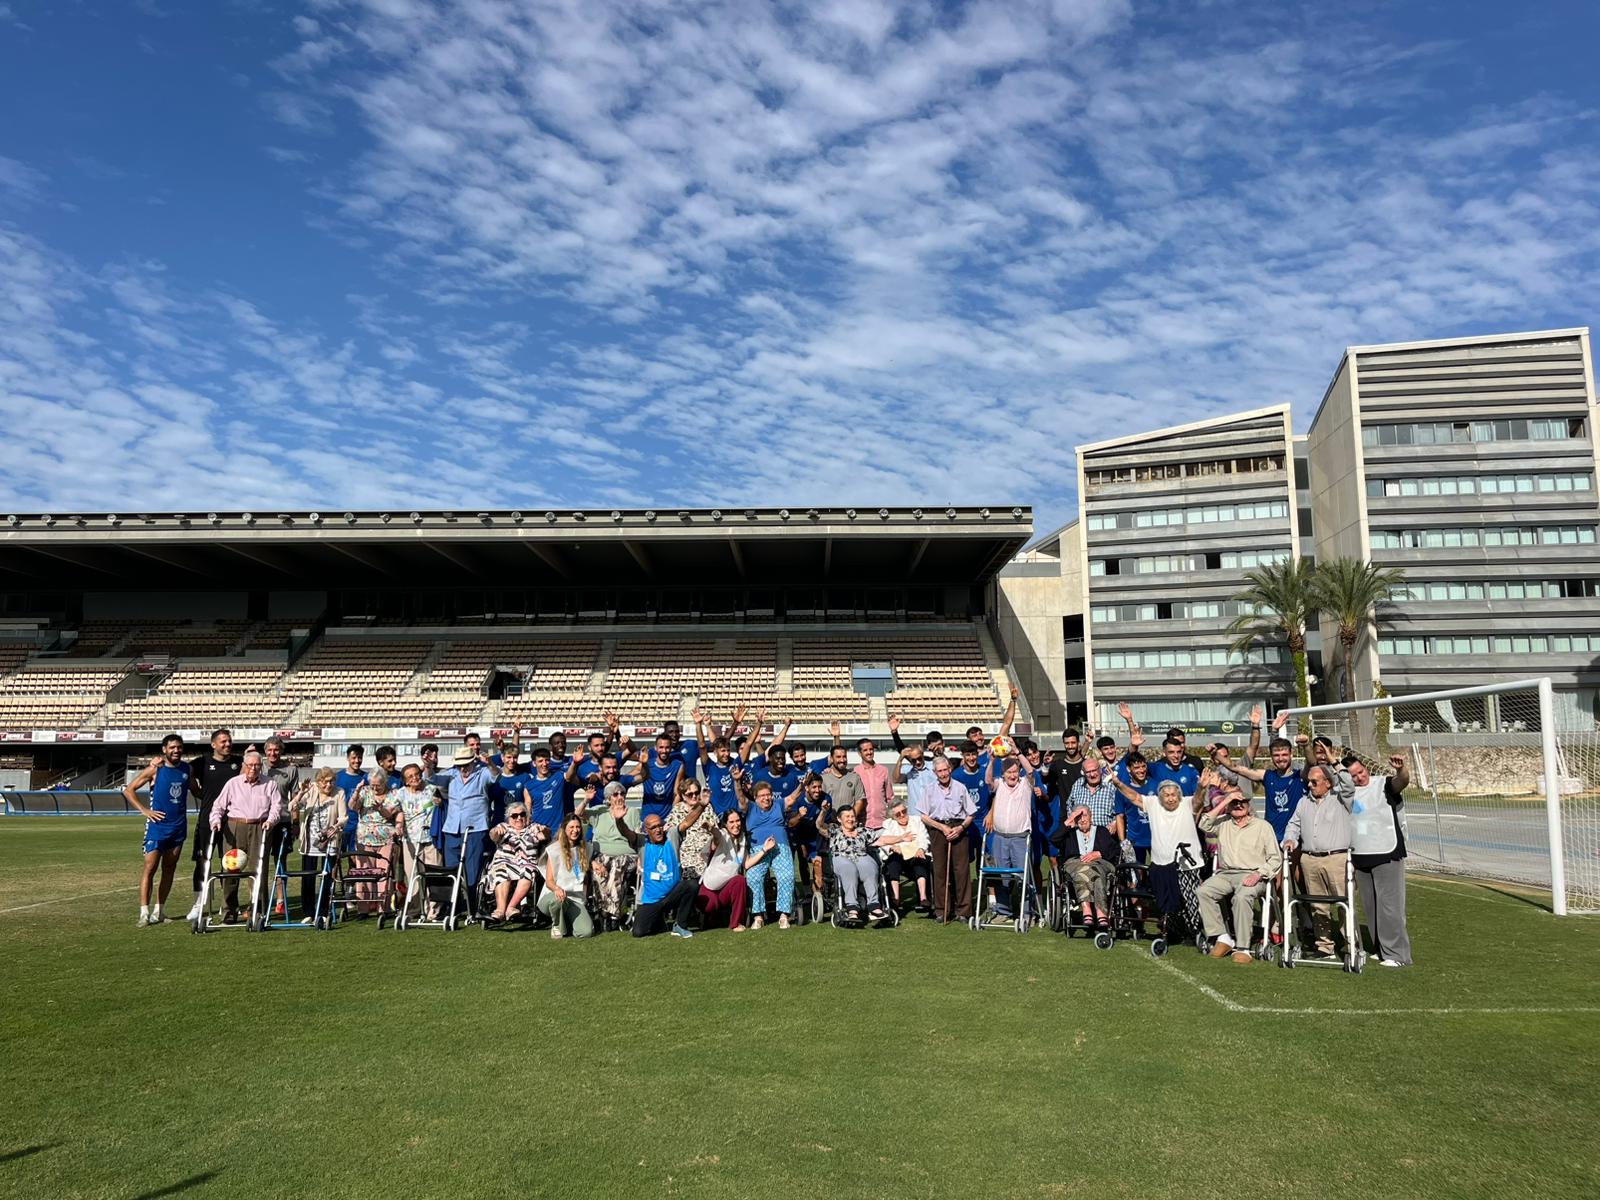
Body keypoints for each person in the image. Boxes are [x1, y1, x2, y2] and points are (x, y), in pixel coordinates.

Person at [1110, 778, 1203, 939]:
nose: (1170, 798)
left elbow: (1198, 801)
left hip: (1187, 863)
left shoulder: (1186, 803)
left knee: (1190, 899)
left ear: (1179, 795)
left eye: (1173, 794)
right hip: (1160, 864)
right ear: (1160, 796)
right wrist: (1118, 784)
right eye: (1166, 795)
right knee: (1167, 900)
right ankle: (1174, 929)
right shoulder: (1154, 804)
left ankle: (1195, 931)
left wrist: (1202, 786)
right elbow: (1134, 797)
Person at [1197, 790, 1283, 963]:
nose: (1238, 805)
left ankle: (1243, 948)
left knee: (1242, 897)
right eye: (1234, 803)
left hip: (1253, 874)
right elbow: (1203, 823)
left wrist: (1259, 874)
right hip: (1226, 873)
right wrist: (1225, 800)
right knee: (1203, 891)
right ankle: (1223, 938)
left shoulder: (1262, 826)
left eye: (1242, 802)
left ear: (1248, 805)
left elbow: (1275, 858)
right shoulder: (1223, 822)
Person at [1347, 752, 1413, 967]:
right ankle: (1381, 949)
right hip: (1361, 855)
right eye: (1353, 776)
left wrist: (1401, 769)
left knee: (1390, 907)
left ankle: (1398, 955)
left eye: (1361, 772)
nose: (1360, 778)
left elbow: (1401, 781)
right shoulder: (1347, 792)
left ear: (1366, 768)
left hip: (1387, 853)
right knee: (1371, 906)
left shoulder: (1383, 784)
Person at [1282, 764, 1355, 958]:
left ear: (1328, 783)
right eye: (1309, 781)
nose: (1310, 785)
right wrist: (1290, 839)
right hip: (1310, 859)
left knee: (1344, 903)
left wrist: (1335, 763)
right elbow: (1294, 824)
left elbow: (1349, 784)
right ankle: (1324, 946)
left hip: (1336, 858)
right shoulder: (1303, 802)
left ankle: (1351, 943)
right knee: (1317, 905)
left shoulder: (1340, 799)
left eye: (1315, 781)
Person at [207, 749, 282, 923]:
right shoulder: (233, 783)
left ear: (261, 766)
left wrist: (270, 821)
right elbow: (218, 806)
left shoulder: (270, 784)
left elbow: (276, 807)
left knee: (259, 871)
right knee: (230, 870)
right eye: (250, 765)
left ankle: (257, 910)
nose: (253, 768)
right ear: (244, 766)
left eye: (257, 765)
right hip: (235, 827)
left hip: (260, 827)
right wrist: (215, 821)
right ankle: (229, 912)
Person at [123, 734, 189, 926]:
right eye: (172, 747)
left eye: (179, 747)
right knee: (150, 868)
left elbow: (196, 790)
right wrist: (144, 810)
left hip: (178, 827)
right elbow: (129, 790)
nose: (176, 750)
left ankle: (159, 911)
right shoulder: (155, 769)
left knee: (169, 868)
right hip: (157, 827)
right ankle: (144, 913)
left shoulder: (187, 769)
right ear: (164, 750)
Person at [614, 795, 698, 939]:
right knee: (638, 932)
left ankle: (680, 925)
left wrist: (701, 806)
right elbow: (626, 833)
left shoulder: (672, 836)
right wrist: (618, 820)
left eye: (659, 825)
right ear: (646, 830)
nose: (658, 830)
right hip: (652, 900)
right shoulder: (641, 842)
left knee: (691, 885)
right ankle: (658, 920)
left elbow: (687, 822)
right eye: (653, 828)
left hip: (673, 895)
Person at [435, 744, 502, 918]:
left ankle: (473, 906)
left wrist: (489, 763)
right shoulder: (451, 774)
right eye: (460, 765)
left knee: (472, 870)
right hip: (452, 828)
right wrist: (428, 766)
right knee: (451, 869)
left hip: (475, 828)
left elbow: (496, 776)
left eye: (466, 764)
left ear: (473, 762)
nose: (463, 768)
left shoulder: (482, 773)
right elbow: (432, 779)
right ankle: (454, 905)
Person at [185, 728, 242, 920]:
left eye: (229, 741)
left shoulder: (238, 762)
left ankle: (228, 906)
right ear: (213, 744)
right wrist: (197, 791)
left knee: (231, 864)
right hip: (207, 822)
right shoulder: (202, 762)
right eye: (223, 741)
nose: (227, 744)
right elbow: (186, 772)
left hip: (232, 822)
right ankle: (199, 904)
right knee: (203, 863)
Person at [920, 754, 975, 923]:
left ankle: (963, 910)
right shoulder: (929, 789)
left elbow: (971, 813)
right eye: (939, 771)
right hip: (938, 829)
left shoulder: (960, 787)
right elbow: (924, 816)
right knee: (940, 870)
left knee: (961, 870)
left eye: (945, 770)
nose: (943, 774)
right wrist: (941, 827)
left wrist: (961, 828)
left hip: (958, 828)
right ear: (935, 773)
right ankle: (942, 910)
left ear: (950, 769)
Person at [739, 777, 798, 929]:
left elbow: (792, 798)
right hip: (759, 849)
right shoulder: (751, 807)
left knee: (787, 876)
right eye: (762, 795)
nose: (766, 798)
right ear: (755, 797)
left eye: (768, 794)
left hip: (780, 847)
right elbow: (740, 798)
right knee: (753, 877)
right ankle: (758, 916)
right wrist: (736, 782)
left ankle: (784, 915)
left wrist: (802, 786)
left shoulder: (778, 805)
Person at [982, 751, 1034, 918]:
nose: (1012, 775)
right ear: (1003, 774)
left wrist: (1018, 754)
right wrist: (991, 761)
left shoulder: (1025, 784)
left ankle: (1026, 913)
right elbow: (988, 781)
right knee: (1001, 877)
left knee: (1023, 877)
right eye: (1008, 772)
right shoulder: (999, 784)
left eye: (1014, 771)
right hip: (999, 837)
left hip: (1020, 838)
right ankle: (1003, 912)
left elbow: (1031, 771)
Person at [581, 781, 638, 931]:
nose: (620, 797)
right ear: (608, 798)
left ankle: (609, 915)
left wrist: (620, 822)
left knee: (616, 866)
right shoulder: (600, 811)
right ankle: (608, 914)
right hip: (602, 854)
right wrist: (586, 800)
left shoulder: (632, 812)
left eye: (622, 793)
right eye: (615, 794)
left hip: (626, 855)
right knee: (599, 869)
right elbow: (577, 815)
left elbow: (633, 839)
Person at [1050, 805, 1120, 928]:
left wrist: (1100, 853)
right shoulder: (1069, 833)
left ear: (1091, 817)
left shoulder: (1101, 831)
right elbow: (1054, 839)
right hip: (1075, 863)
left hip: (1100, 863)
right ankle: (1090, 909)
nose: (1082, 820)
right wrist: (1070, 819)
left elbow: (1116, 850)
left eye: (1085, 816)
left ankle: (1095, 911)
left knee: (1095, 870)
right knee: (1085, 870)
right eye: (1078, 817)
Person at [293, 767, 347, 925]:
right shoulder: (311, 791)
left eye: (331, 781)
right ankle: (308, 911)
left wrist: (335, 827)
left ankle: (323, 911)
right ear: (318, 782)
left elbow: (344, 817)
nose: (328, 785)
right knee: (308, 877)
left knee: (327, 878)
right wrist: (301, 793)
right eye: (325, 782)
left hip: (329, 842)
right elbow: (292, 807)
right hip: (310, 842)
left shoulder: (339, 793)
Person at [697, 809, 766, 932]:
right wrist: (711, 828)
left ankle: (736, 923)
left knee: (740, 880)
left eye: (738, 820)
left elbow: (746, 863)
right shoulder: (723, 835)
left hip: (727, 888)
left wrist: (764, 850)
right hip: (711, 886)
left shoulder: (742, 838)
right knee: (710, 906)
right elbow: (717, 835)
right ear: (725, 824)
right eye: (731, 822)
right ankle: (708, 916)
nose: (736, 824)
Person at [349, 767, 401, 915]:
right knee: (363, 873)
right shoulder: (365, 792)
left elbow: (388, 814)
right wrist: (357, 792)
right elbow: (353, 807)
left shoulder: (393, 794)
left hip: (385, 839)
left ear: (385, 782)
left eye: (378, 785)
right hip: (364, 839)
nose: (374, 788)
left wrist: (379, 808)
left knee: (384, 874)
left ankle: (382, 909)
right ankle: (363, 909)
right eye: (372, 785)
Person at [485, 799, 546, 925]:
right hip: (504, 861)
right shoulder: (504, 827)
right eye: (514, 815)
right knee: (502, 870)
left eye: (522, 814)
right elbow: (493, 835)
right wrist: (495, 832)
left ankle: (511, 907)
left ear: (527, 816)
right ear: (508, 818)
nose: (519, 818)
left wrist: (544, 831)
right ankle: (500, 910)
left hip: (526, 862)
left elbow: (544, 836)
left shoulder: (533, 828)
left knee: (528, 871)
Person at [261, 736, 304, 914]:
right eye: (269, 750)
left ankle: (280, 900)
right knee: (259, 861)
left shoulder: (291, 770)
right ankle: (258, 901)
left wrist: (295, 822)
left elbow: (294, 798)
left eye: (276, 750)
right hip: (262, 821)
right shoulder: (258, 766)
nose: (273, 753)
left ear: (281, 751)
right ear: (265, 752)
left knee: (281, 861)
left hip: (283, 820)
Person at [826, 804, 889, 923]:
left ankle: (874, 906)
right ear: (839, 819)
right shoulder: (834, 830)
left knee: (870, 867)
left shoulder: (862, 831)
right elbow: (819, 825)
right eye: (847, 816)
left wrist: (902, 838)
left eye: (852, 816)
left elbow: (881, 839)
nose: (850, 819)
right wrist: (823, 812)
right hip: (841, 856)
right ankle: (852, 908)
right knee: (849, 869)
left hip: (860, 855)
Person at [391, 763, 440, 917]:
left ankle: (432, 910)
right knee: (412, 876)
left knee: (434, 875)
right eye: (410, 776)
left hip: (430, 838)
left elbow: (442, 804)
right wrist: (398, 825)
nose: (415, 778)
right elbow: (394, 811)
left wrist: (439, 802)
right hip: (410, 840)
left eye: (416, 774)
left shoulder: (431, 789)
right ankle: (414, 909)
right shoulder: (400, 794)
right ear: (405, 781)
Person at [537, 813, 593, 939]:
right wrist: (557, 889)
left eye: (578, 827)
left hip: (575, 898)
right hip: (554, 897)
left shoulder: (586, 848)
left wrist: (595, 864)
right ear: (564, 829)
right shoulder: (554, 849)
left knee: (586, 932)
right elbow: (549, 881)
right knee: (558, 900)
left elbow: (589, 868)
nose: (575, 830)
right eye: (571, 827)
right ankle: (557, 925)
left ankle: (568, 922)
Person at [877, 798, 932, 913]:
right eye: (898, 814)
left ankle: (923, 898)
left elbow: (924, 837)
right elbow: (884, 842)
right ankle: (896, 898)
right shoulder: (889, 825)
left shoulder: (916, 821)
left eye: (904, 811)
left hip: (915, 854)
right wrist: (892, 847)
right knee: (893, 862)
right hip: (899, 856)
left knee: (920, 861)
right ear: (893, 816)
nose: (902, 815)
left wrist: (921, 848)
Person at [1065, 757, 1118, 832]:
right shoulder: (1078, 784)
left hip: (1104, 835)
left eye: (1094, 770)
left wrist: (1115, 823)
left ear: (1100, 770)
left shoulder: (1110, 786)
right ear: (1083, 773)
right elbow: (1069, 805)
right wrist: (1072, 819)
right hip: (1080, 834)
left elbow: (1120, 810)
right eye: (1088, 772)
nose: (1092, 774)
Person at [818, 740, 866, 823]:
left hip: (848, 825)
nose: (842, 760)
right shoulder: (823, 778)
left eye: (844, 756)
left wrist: (849, 819)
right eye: (838, 757)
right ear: (832, 759)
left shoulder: (854, 777)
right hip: (829, 824)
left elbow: (859, 801)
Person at [854, 736, 894, 830]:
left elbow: (890, 797)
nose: (869, 752)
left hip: (882, 824)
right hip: (862, 824)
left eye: (871, 749)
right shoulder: (855, 772)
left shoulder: (883, 771)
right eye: (865, 750)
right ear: (860, 753)